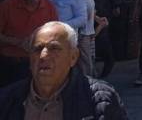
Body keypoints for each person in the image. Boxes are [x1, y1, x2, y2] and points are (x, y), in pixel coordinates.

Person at [0, 22, 128, 119]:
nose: (43, 55)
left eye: (54, 48)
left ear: (73, 57)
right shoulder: (8, 99)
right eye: (38, 49)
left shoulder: (98, 99)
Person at [0, 0, 58, 87]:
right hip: (9, 64)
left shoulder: (49, 8)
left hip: (37, 65)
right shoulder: (8, 6)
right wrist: (18, 42)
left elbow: (55, 36)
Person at [83, 0, 121, 78]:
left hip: (103, 10)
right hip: (89, 12)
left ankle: (108, 62)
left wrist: (116, 5)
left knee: (102, 39)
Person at [71, 0, 108, 77]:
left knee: (90, 63)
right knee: (86, 66)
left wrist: (97, 19)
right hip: (83, 34)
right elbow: (82, 14)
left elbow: (89, 10)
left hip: (89, 33)